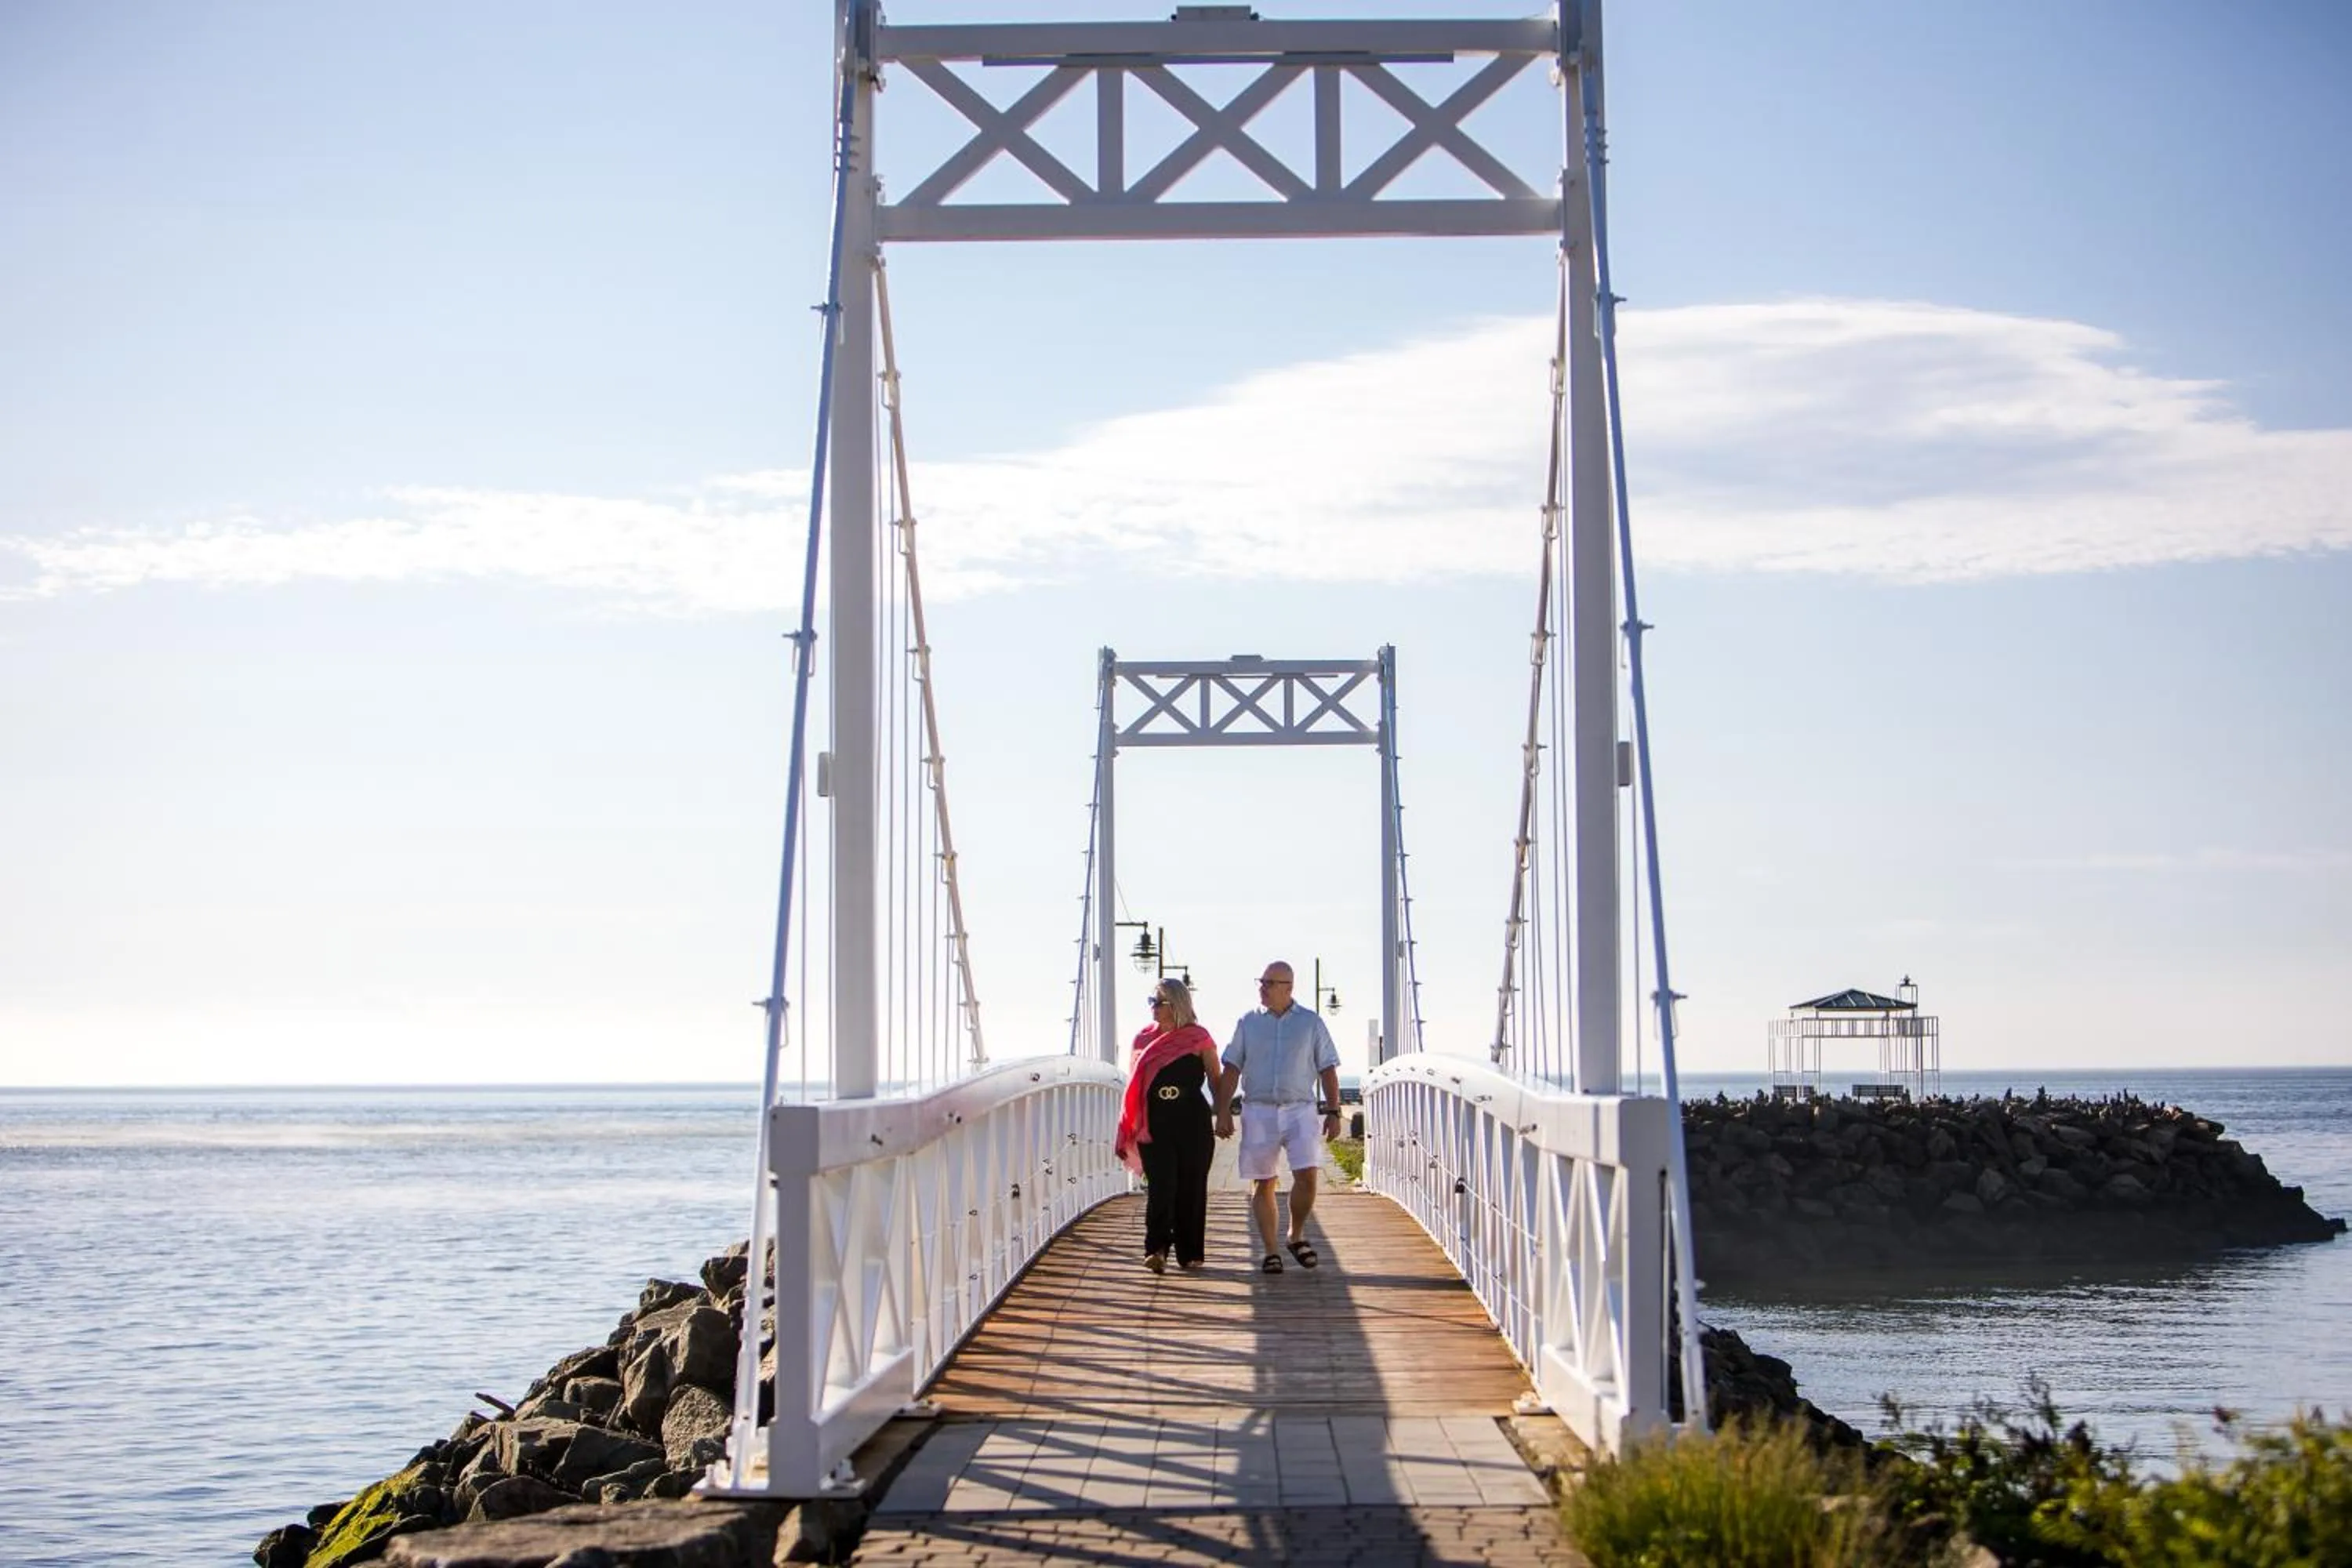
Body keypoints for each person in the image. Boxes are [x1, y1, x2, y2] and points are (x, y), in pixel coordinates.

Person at [1218, 960, 1342, 1275]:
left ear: (1288, 987)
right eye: (1261, 982)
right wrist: (1221, 1111)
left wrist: (1334, 1111)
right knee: (1264, 1181)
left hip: (1300, 1108)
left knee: (1308, 1176)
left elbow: (1328, 1067)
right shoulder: (1248, 1022)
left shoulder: (1310, 1023)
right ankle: (1271, 1252)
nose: (1262, 987)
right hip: (1259, 1109)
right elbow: (1231, 1067)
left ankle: (1296, 1235)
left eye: (1269, 983)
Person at [1113, 977, 1225, 1274]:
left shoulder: (1198, 1038)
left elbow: (1215, 1079)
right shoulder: (1142, 1040)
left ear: (1175, 1005)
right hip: (1155, 1120)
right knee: (1162, 1185)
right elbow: (1135, 1084)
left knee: (1191, 1185)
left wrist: (1223, 1113)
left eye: (1158, 1003)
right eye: (1151, 1002)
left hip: (1192, 1117)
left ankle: (1190, 1253)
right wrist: (1132, 1122)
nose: (1152, 1009)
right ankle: (1157, 1249)